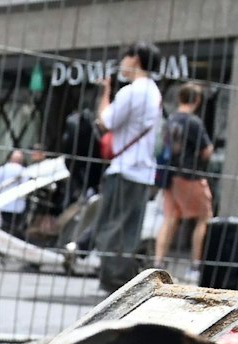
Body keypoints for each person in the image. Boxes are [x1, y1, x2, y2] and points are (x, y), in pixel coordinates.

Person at [77, 42, 163, 261]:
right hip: (144, 170)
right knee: (128, 231)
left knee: (111, 227)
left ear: (134, 59)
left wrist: (105, 92)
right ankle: (120, 276)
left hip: (125, 169)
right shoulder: (154, 92)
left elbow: (105, 122)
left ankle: (110, 276)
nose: (122, 64)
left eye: (124, 58)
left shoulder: (132, 91)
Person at [157, 82, 215, 275]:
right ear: (197, 100)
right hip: (190, 175)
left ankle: (158, 262)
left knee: (170, 218)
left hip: (169, 176)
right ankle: (196, 265)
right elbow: (206, 151)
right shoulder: (193, 122)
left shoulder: (170, 119)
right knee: (204, 217)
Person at [0, 150, 29, 239]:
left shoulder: (1, 169)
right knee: (14, 227)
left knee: (4, 225)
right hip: (18, 205)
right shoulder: (24, 171)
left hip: (3, 203)